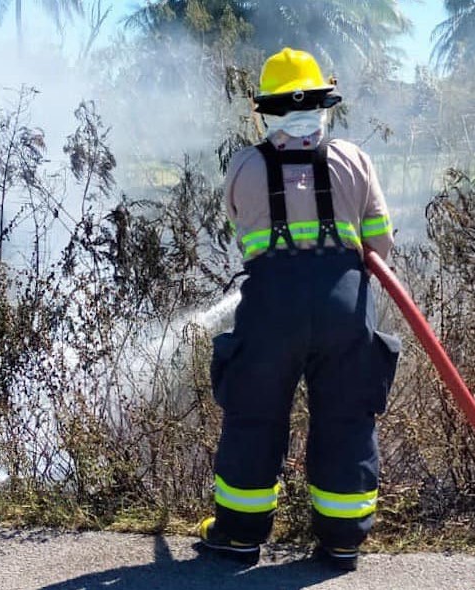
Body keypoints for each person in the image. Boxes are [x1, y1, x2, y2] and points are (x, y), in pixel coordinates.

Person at [197, 47, 401, 571]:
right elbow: (381, 247)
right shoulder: (356, 160)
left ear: (266, 110)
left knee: (254, 415)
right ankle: (341, 542)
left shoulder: (244, 164)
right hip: (345, 305)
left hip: (270, 307)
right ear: (323, 102)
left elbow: (243, 231)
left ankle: (239, 536)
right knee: (347, 418)